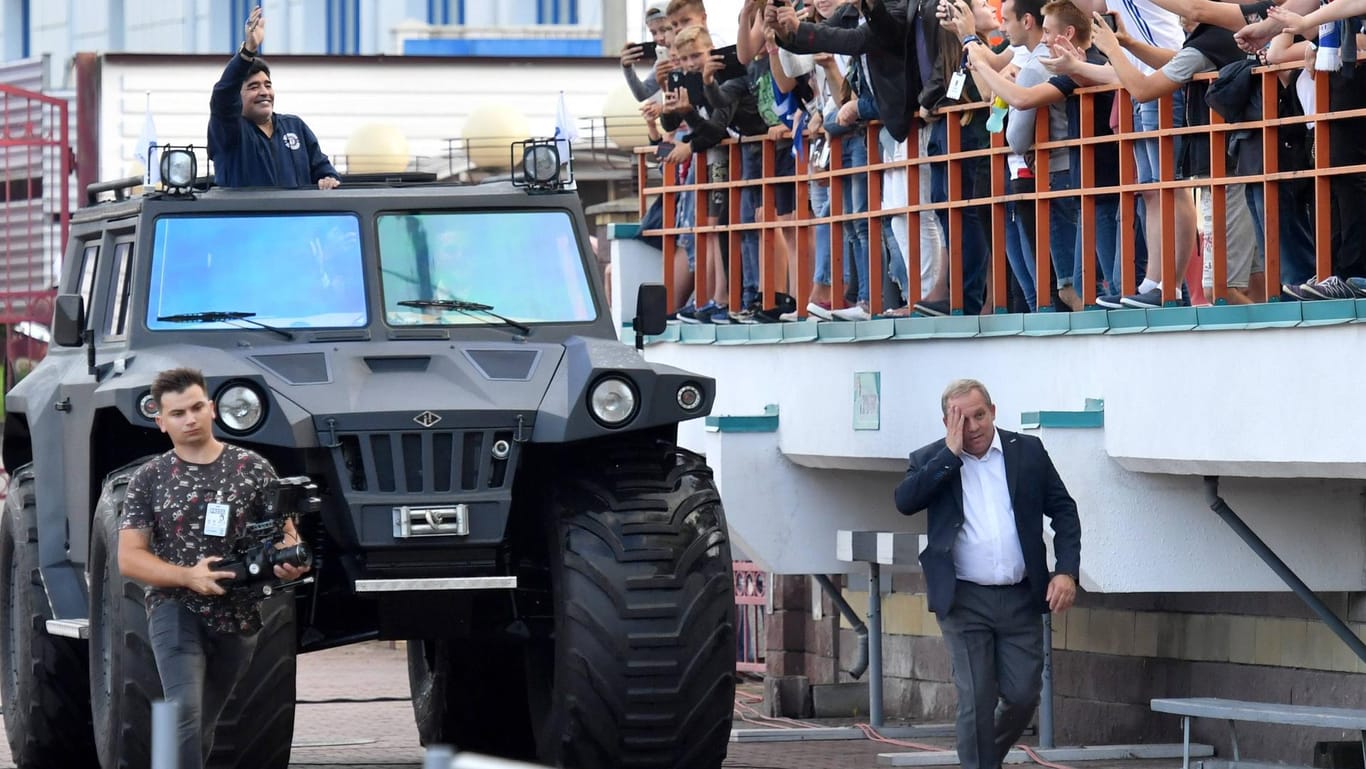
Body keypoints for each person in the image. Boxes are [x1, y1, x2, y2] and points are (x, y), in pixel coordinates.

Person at [119, 367, 310, 769]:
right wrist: (188, 576)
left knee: (203, 722)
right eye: (177, 413)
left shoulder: (253, 468)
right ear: (161, 422)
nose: (189, 419)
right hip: (175, 607)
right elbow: (129, 557)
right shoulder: (148, 479)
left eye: (195, 408)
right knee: (183, 710)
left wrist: (288, 561)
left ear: (212, 409)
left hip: (239, 613)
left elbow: (286, 534)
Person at [893, 379, 1081, 769]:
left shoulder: (1027, 452)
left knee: (1024, 694)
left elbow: (1064, 510)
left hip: (1020, 596)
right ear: (947, 422)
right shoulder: (930, 458)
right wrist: (950, 454)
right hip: (963, 600)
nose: (974, 426)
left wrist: (1065, 572)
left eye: (980, 415)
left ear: (993, 412)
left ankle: (978, 760)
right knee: (976, 698)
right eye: (962, 419)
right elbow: (905, 501)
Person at [209, 6, 341, 189]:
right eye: (253, 87)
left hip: (297, 217)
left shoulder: (295, 126)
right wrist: (248, 51)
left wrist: (328, 178)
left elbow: (323, 169)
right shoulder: (229, 130)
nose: (264, 92)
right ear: (237, 97)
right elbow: (223, 95)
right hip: (247, 218)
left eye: (267, 85)